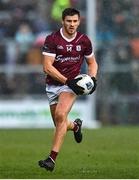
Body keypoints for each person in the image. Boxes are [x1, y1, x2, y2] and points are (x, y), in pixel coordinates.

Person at [38, 8, 98, 172]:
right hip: (54, 84)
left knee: (60, 115)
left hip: (71, 86)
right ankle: (76, 126)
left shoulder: (84, 41)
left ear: (79, 21)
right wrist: (67, 81)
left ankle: (51, 159)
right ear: (62, 21)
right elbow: (47, 67)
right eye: (69, 21)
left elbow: (92, 63)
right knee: (60, 124)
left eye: (75, 21)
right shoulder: (52, 39)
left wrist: (93, 79)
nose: (72, 24)